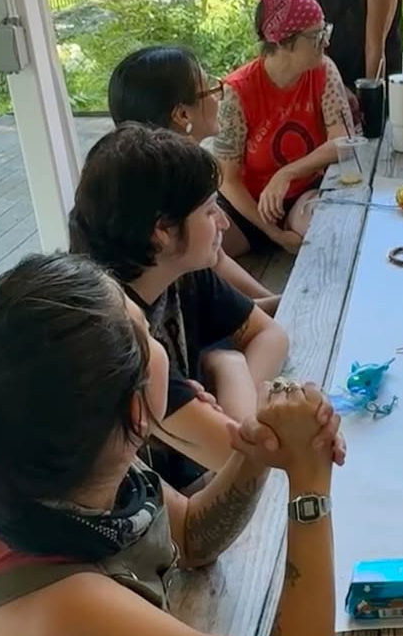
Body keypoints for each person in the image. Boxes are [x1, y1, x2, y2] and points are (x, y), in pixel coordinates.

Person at [0, 252, 343, 636]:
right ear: (137, 408)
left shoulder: (35, 467)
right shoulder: (67, 623)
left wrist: (253, 453)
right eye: (147, 332)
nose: (156, 337)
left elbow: (190, 537)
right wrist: (310, 483)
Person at [70, 123, 289, 483]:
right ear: (163, 231)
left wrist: (235, 392)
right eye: (210, 211)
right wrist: (229, 364)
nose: (223, 222)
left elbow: (270, 334)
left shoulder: (177, 269)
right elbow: (238, 457)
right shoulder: (112, 330)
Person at [108, 44, 280, 315]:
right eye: (209, 89)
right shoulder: (170, 193)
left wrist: (274, 302)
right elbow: (205, 315)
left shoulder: (151, 172)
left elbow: (218, 262)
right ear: (182, 114)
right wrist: (277, 306)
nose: (218, 97)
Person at [216, 0, 355, 256]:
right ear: (282, 41)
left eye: (325, 32)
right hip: (248, 206)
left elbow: (343, 141)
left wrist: (287, 173)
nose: (326, 43)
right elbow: (228, 179)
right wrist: (275, 234)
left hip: (303, 195)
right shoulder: (238, 91)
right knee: (196, 252)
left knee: (328, 231)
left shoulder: (323, 70)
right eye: (316, 36)